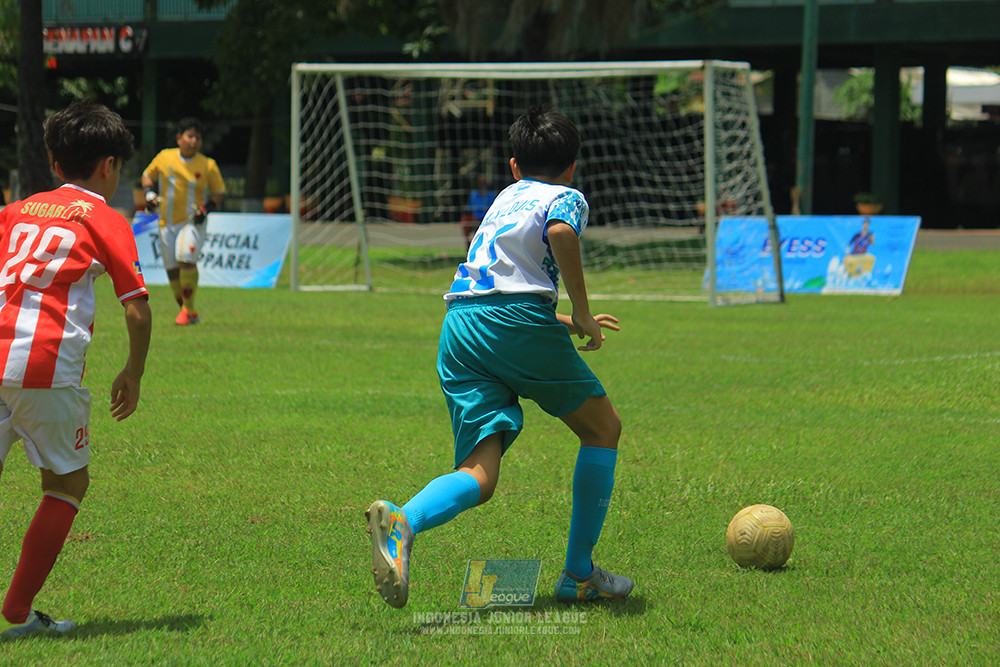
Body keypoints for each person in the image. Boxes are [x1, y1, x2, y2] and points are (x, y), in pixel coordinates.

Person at [366, 106, 631, 608]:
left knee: (480, 475)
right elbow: (559, 235)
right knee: (603, 429)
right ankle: (578, 573)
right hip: (512, 326)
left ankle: (403, 523)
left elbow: (500, 284)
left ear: (514, 166)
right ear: (573, 167)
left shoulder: (505, 198)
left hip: (461, 327)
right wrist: (583, 310)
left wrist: (559, 320)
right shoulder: (566, 197)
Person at [0, 101, 152, 639]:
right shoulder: (105, 218)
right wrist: (133, 373)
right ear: (109, 166)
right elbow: (136, 308)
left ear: (55, 162)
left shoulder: (15, 210)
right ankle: (17, 614)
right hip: (44, 366)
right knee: (67, 481)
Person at [141, 117, 225, 326]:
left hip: (191, 222)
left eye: (197, 137)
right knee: (172, 271)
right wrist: (149, 194)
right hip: (166, 224)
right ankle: (189, 311)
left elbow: (218, 192)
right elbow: (146, 176)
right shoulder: (164, 157)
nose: (194, 141)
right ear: (179, 138)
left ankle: (186, 311)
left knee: (186, 258)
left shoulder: (208, 164)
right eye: (190, 136)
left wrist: (206, 209)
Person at [460, 174, 496, 247]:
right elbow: (469, 208)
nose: (482, 185)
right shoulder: (473, 195)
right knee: (465, 219)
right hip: (475, 217)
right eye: (480, 183)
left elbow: (494, 209)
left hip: (487, 218)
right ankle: (468, 242)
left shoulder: (491, 195)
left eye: (484, 183)